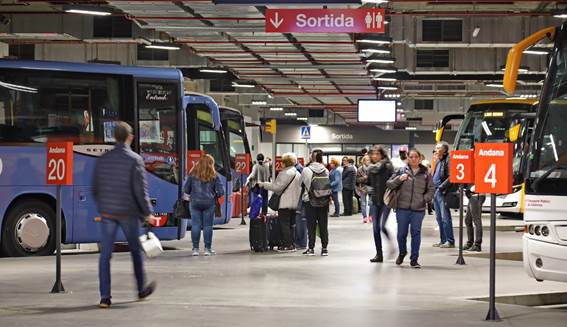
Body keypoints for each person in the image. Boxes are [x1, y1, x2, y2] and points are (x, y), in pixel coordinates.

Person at [92, 121, 156, 309]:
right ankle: (140, 289)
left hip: (108, 213)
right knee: (135, 251)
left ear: (115, 138)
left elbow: (95, 188)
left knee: (105, 255)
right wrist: (147, 213)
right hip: (128, 213)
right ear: (130, 137)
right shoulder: (134, 159)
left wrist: (103, 206)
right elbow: (140, 191)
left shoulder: (103, 159)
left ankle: (105, 297)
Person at [387, 149, 435, 268]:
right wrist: (399, 179)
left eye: (416, 157)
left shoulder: (426, 173)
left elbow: (431, 188)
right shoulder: (401, 170)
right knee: (401, 233)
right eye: (411, 157)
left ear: (420, 158)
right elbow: (389, 184)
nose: (413, 159)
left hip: (418, 209)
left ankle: (414, 259)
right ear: (408, 158)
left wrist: (425, 199)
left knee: (416, 233)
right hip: (402, 208)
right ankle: (402, 252)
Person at [259, 153, 302, 252]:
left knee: (284, 224)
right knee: (291, 225)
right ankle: (292, 244)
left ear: (285, 163)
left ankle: (287, 245)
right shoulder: (298, 173)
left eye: (282, 162)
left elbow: (277, 187)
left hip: (284, 203)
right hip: (294, 203)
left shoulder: (285, 173)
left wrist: (264, 184)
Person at [185, 154, 225, 256]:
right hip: (209, 203)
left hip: (194, 202)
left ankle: (195, 249)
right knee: (208, 226)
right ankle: (207, 249)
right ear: (211, 164)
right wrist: (214, 195)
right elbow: (221, 191)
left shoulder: (193, 174)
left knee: (195, 225)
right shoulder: (214, 175)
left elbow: (186, 189)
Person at [366, 146, 394, 263]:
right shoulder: (371, 168)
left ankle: (391, 245)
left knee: (382, 226)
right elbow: (368, 183)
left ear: (382, 155)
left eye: (377, 154)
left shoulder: (387, 166)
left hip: (386, 201)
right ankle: (379, 254)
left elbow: (393, 182)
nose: (375, 156)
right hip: (374, 200)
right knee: (375, 228)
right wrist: (368, 189)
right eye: (373, 154)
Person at [301, 149, 331, 256]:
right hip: (324, 200)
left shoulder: (306, 170)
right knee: (323, 225)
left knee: (311, 225)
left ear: (312, 157)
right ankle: (324, 249)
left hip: (310, 201)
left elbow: (302, 183)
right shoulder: (326, 170)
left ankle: (311, 248)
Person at [432, 142, 455, 248]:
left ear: (444, 150)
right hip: (436, 191)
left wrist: (441, 187)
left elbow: (451, 177)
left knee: (445, 217)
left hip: (442, 192)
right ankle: (443, 240)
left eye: (438, 148)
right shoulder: (439, 161)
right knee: (439, 218)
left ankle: (450, 241)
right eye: (436, 147)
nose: (436, 149)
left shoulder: (448, 160)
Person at [464, 185, 485, 252]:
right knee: (468, 220)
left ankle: (477, 244)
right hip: (473, 195)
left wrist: (471, 189)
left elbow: (480, 181)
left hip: (477, 195)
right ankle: (470, 242)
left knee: (477, 220)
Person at [356, 155, 370, 223]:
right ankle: (364, 217)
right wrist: (363, 178)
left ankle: (370, 216)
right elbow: (357, 180)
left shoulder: (372, 168)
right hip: (362, 187)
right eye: (367, 160)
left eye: (369, 160)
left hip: (370, 187)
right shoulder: (360, 169)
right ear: (364, 161)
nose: (368, 161)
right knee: (363, 203)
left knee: (371, 203)